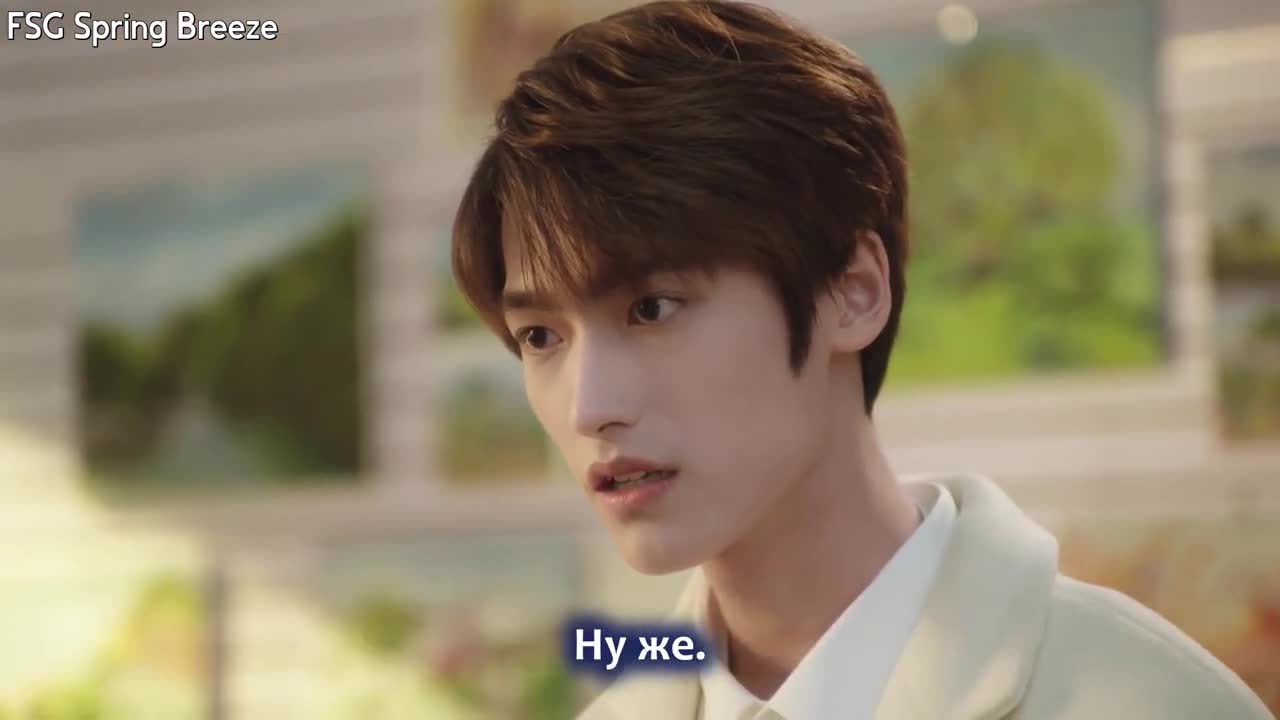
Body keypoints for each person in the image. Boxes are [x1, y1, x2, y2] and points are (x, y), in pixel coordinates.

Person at [448, 1, 1276, 718]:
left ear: (853, 291)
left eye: (652, 308)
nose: (589, 407)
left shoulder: (1147, 701)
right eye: (540, 337)